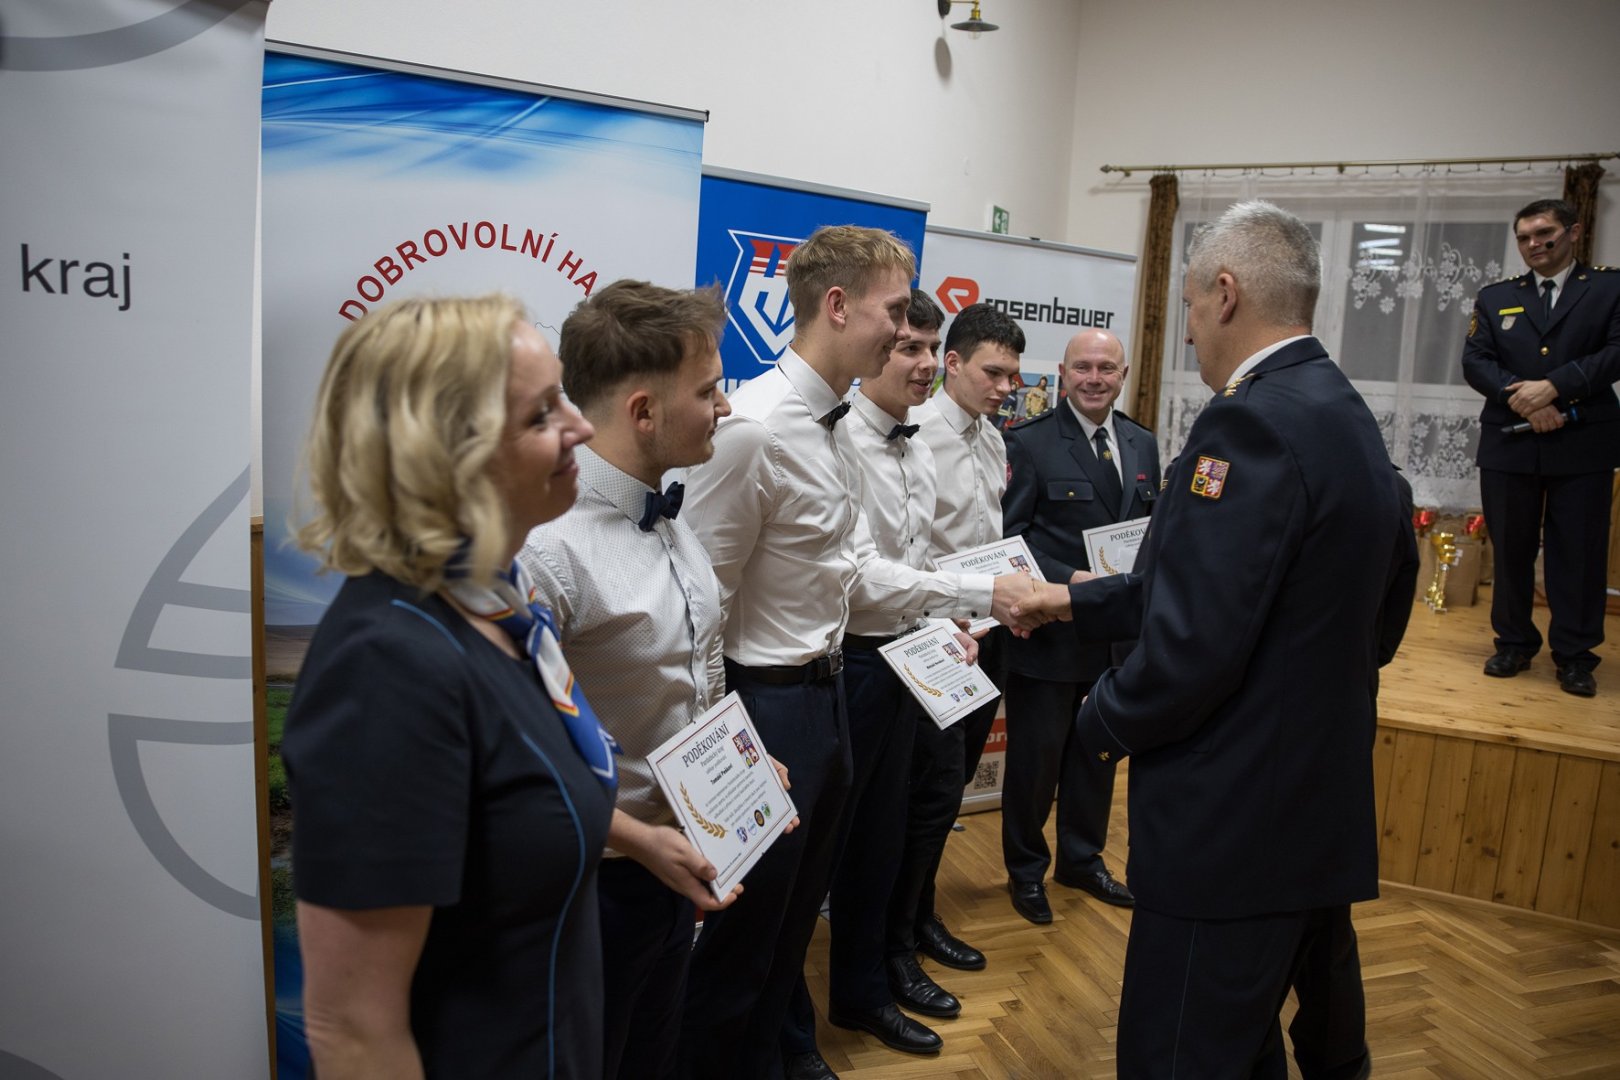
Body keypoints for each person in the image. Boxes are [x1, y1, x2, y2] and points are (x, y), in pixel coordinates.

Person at [1015, 200, 1417, 1077]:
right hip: (1310, 804)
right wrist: (1066, 602)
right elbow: (1368, 604)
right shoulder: (1340, 408)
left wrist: (1098, 724)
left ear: (1226, 293)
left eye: (1192, 307)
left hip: (1231, 827)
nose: (1191, 330)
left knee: (1181, 1055)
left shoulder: (1249, 423)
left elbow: (1194, 643)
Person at [679, 227, 1036, 1080]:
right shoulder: (757, 428)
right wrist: (721, 744)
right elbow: (699, 604)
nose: (908, 333)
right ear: (837, 306)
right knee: (742, 945)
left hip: (827, 694)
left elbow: (852, 569)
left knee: (789, 929)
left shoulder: (832, 425)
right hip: (766, 709)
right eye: (895, 311)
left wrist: (983, 594)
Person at [282, 295, 612, 1078]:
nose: (582, 427)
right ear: (446, 458)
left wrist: (634, 835)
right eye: (542, 414)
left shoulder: (495, 606)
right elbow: (353, 1031)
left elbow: (505, 805)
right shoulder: (387, 668)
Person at [519, 280, 769, 1079]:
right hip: (594, 889)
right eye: (708, 390)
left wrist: (740, 760)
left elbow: (692, 674)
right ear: (643, 411)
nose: (725, 407)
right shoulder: (548, 553)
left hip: (676, 867)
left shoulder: (669, 514)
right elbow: (524, 760)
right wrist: (638, 842)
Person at [998, 327, 1160, 924]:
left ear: (1123, 375)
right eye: (1083, 368)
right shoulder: (1030, 442)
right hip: (1051, 637)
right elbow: (1012, 538)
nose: (1095, 379)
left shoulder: (1143, 443)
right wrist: (1070, 580)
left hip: (1114, 640)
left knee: (1097, 755)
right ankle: (1025, 871)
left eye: (1106, 368)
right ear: (1063, 374)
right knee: (1035, 765)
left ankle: (1082, 860)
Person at [895, 301, 1026, 983]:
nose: (1006, 388)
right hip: (932, 640)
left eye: (1012, 376)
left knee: (949, 798)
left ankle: (920, 916)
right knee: (927, 794)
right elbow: (908, 551)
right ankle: (900, 928)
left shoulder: (994, 439)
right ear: (952, 362)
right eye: (993, 373)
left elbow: (988, 541)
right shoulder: (915, 433)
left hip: (986, 636)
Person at [1461, 197, 1620, 698]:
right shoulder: (1496, 297)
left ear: (1573, 232)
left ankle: (1575, 655)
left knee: (1579, 552)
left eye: (1544, 233)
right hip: (1509, 442)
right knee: (1511, 549)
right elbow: (1476, 362)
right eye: (1525, 237)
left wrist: (1555, 387)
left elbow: (1616, 352)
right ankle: (1513, 643)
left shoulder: (1609, 287)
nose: (1534, 244)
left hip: (1583, 442)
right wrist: (1527, 401)